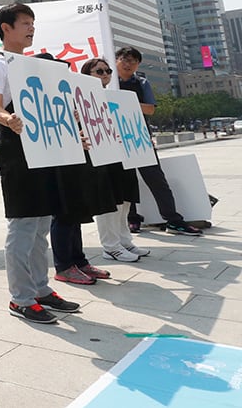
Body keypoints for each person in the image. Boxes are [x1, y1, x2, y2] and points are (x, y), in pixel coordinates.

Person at [0, 4, 82, 325]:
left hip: (43, 148)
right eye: (25, 23)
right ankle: (21, 298)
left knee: (41, 225)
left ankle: (41, 289)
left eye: (33, 23)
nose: (31, 28)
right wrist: (7, 119)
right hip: (17, 147)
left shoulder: (34, 64)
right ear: (6, 29)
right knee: (23, 225)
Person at [41, 54, 116, 287]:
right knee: (64, 214)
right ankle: (63, 266)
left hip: (80, 162)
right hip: (59, 163)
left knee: (77, 212)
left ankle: (79, 262)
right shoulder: (41, 93)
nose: (104, 75)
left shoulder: (72, 92)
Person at [117, 46, 202, 236]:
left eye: (133, 60)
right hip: (116, 139)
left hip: (140, 138)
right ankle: (132, 219)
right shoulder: (109, 83)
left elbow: (150, 110)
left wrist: (123, 101)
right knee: (126, 182)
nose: (128, 63)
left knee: (157, 181)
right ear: (116, 61)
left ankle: (173, 220)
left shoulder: (142, 82)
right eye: (124, 59)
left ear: (138, 64)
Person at [83, 58, 150, 262]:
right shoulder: (81, 98)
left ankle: (124, 241)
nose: (105, 74)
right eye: (99, 71)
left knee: (124, 200)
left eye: (107, 71)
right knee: (107, 203)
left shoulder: (118, 97)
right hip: (100, 157)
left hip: (123, 153)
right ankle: (110, 246)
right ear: (87, 75)